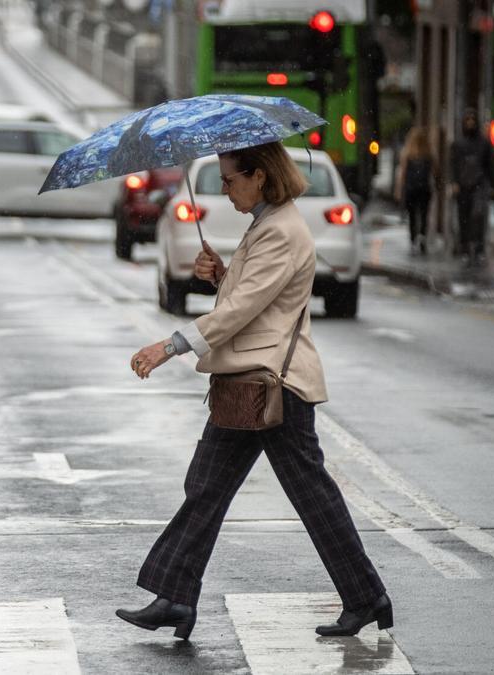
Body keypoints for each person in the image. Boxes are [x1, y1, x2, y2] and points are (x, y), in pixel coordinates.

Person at [117, 141, 390, 640]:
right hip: (247, 383)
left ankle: (366, 596)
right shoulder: (266, 225)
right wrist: (221, 274)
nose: (225, 189)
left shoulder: (281, 231)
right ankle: (175, 597)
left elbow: (241, 313)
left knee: (312, 497)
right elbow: (254, 299)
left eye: (230, 179)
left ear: (260, 176)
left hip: (274, 387)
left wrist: (170, 345)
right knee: (205, 489)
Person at [450, 109, 492, 264]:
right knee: (464, 218)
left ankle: (479, 247)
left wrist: (489, 184)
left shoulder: (483, 144)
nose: (470, 123)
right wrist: (454, 182)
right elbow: (454, 165)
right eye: (467, 120)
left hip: (479, 184)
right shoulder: (458, 144)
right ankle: (465, 247)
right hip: (463, 186)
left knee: (478, 215)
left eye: (472, 120)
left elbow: (488, 166)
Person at [395, 126, 436, 255]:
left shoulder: (408, 154)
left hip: (411, 188)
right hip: (424, 188)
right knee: (424, 214)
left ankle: (413, 240)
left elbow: (403, 173)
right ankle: (422, 237)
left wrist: (399, 189)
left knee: (412, 216)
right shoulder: (429, 154)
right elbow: (435, 171)